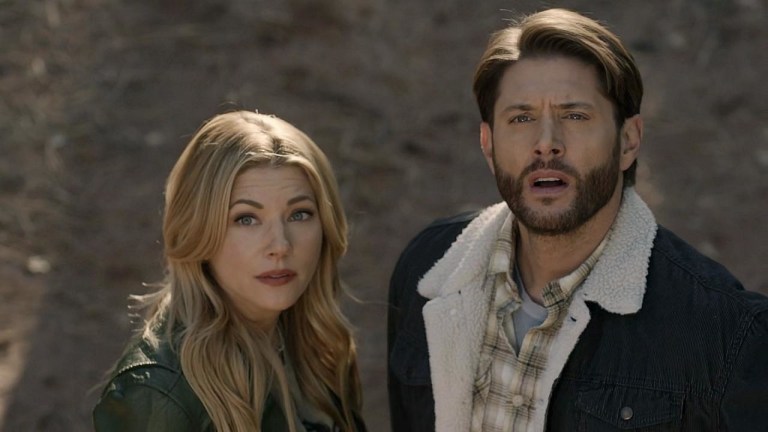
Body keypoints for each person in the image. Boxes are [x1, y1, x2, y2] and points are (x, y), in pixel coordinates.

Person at [387, 8, 768, 431]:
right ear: (488, 145)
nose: (546, 144)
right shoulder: (428, 270)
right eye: (521, 118)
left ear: (628, 141)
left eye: (575, 116)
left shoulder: (726, 335)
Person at [93, 111, 366, 431]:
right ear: (198, 230)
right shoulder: (157, 396)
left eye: (299, 214)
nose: (280, 245)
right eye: (246, 219)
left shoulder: (320, 345)